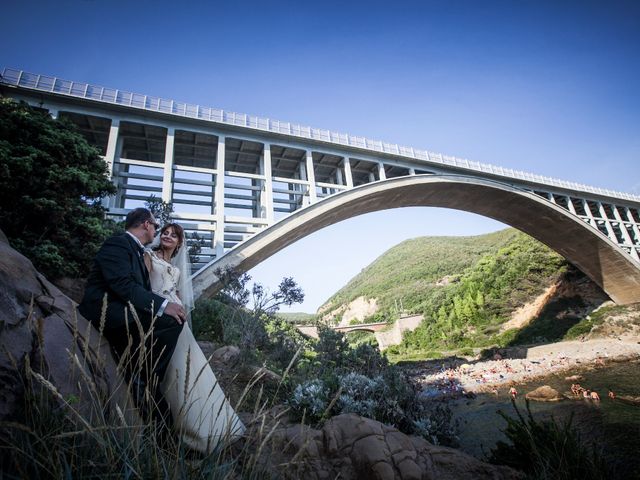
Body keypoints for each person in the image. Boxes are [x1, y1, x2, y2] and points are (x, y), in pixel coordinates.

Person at [78, 208, 186, 425]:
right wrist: (164, 306)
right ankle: (146, 376)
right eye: (156, 226)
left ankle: (145, 375)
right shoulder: (118, 243)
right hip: (106, 311)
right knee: (169, 323)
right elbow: (123, 285)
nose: (157, 231)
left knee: (172, 322)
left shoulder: (136, 250)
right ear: (146, 224)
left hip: (124, 309)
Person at [145, 223, 245, 452]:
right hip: (159, 315)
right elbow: (145, 287)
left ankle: (209, 427)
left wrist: (178, 304)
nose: (168, 236)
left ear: (180, 242)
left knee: (189, 370)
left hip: (177, 319)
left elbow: (175, 290)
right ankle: (182, 427)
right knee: (172, 371)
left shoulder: (174, 265)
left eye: (174, 235)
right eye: (165, 233)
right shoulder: (150, 256)